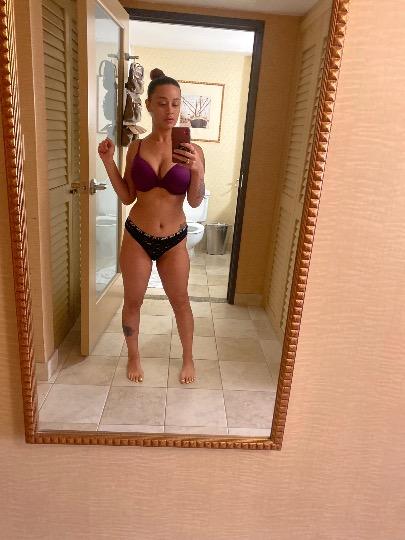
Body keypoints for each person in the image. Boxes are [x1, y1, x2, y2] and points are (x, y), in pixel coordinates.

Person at [98, 68, 206, 385]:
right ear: (148, 105)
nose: (170, 110)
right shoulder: (136, 148)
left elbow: (195, 201)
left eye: (176, 103)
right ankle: (133, 357)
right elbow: (127, 196)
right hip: (138, 237)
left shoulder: (193, 151)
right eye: (162, 103)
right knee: (133, 302)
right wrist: (108, 162)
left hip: (174, 240)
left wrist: (198, 171)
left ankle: (188, 359)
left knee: (181, 302)